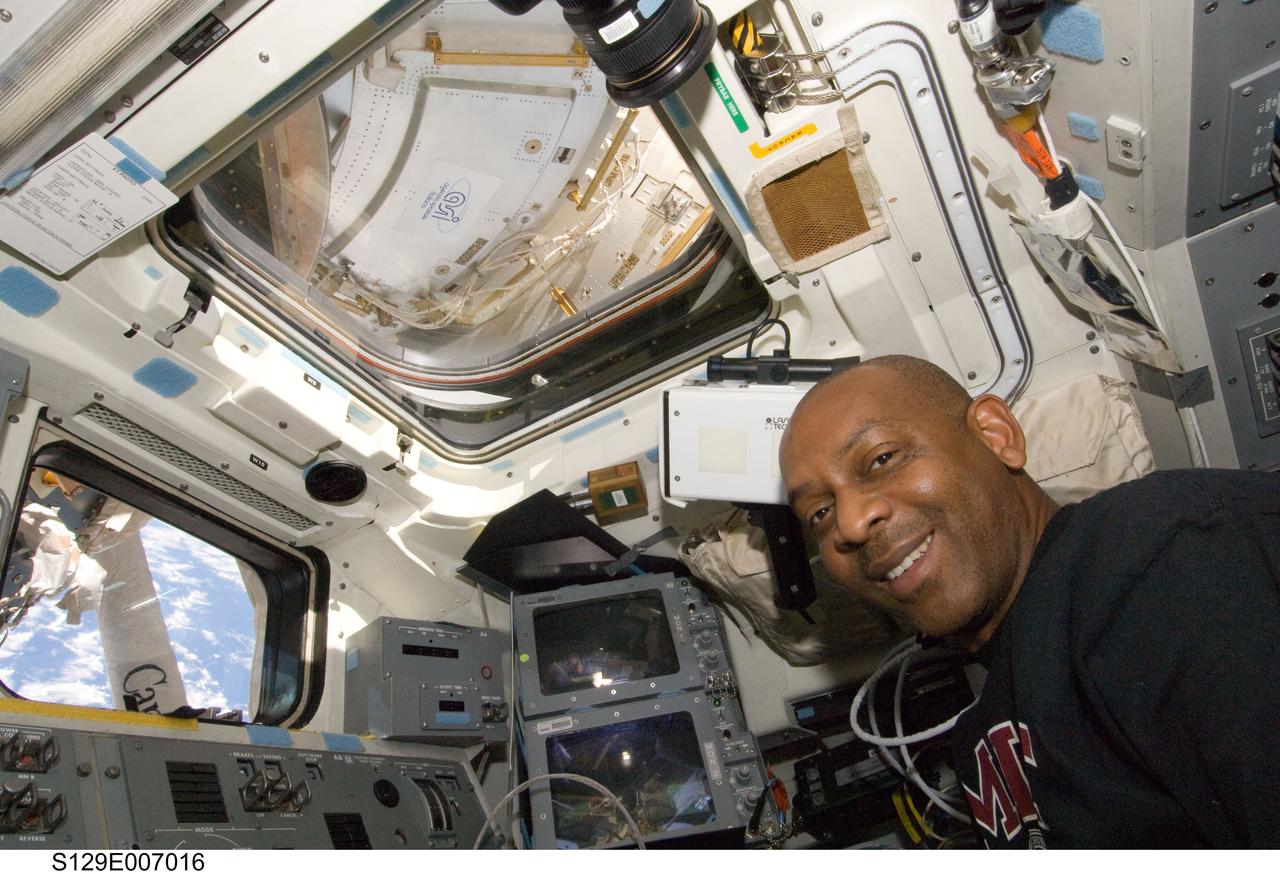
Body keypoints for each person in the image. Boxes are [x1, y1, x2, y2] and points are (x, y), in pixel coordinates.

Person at [778, 354, 1280, 848]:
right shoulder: (982, 735)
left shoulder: (1155, 556)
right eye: (820, 513)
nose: (850, 523)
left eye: (882, 459)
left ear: (996, 435)